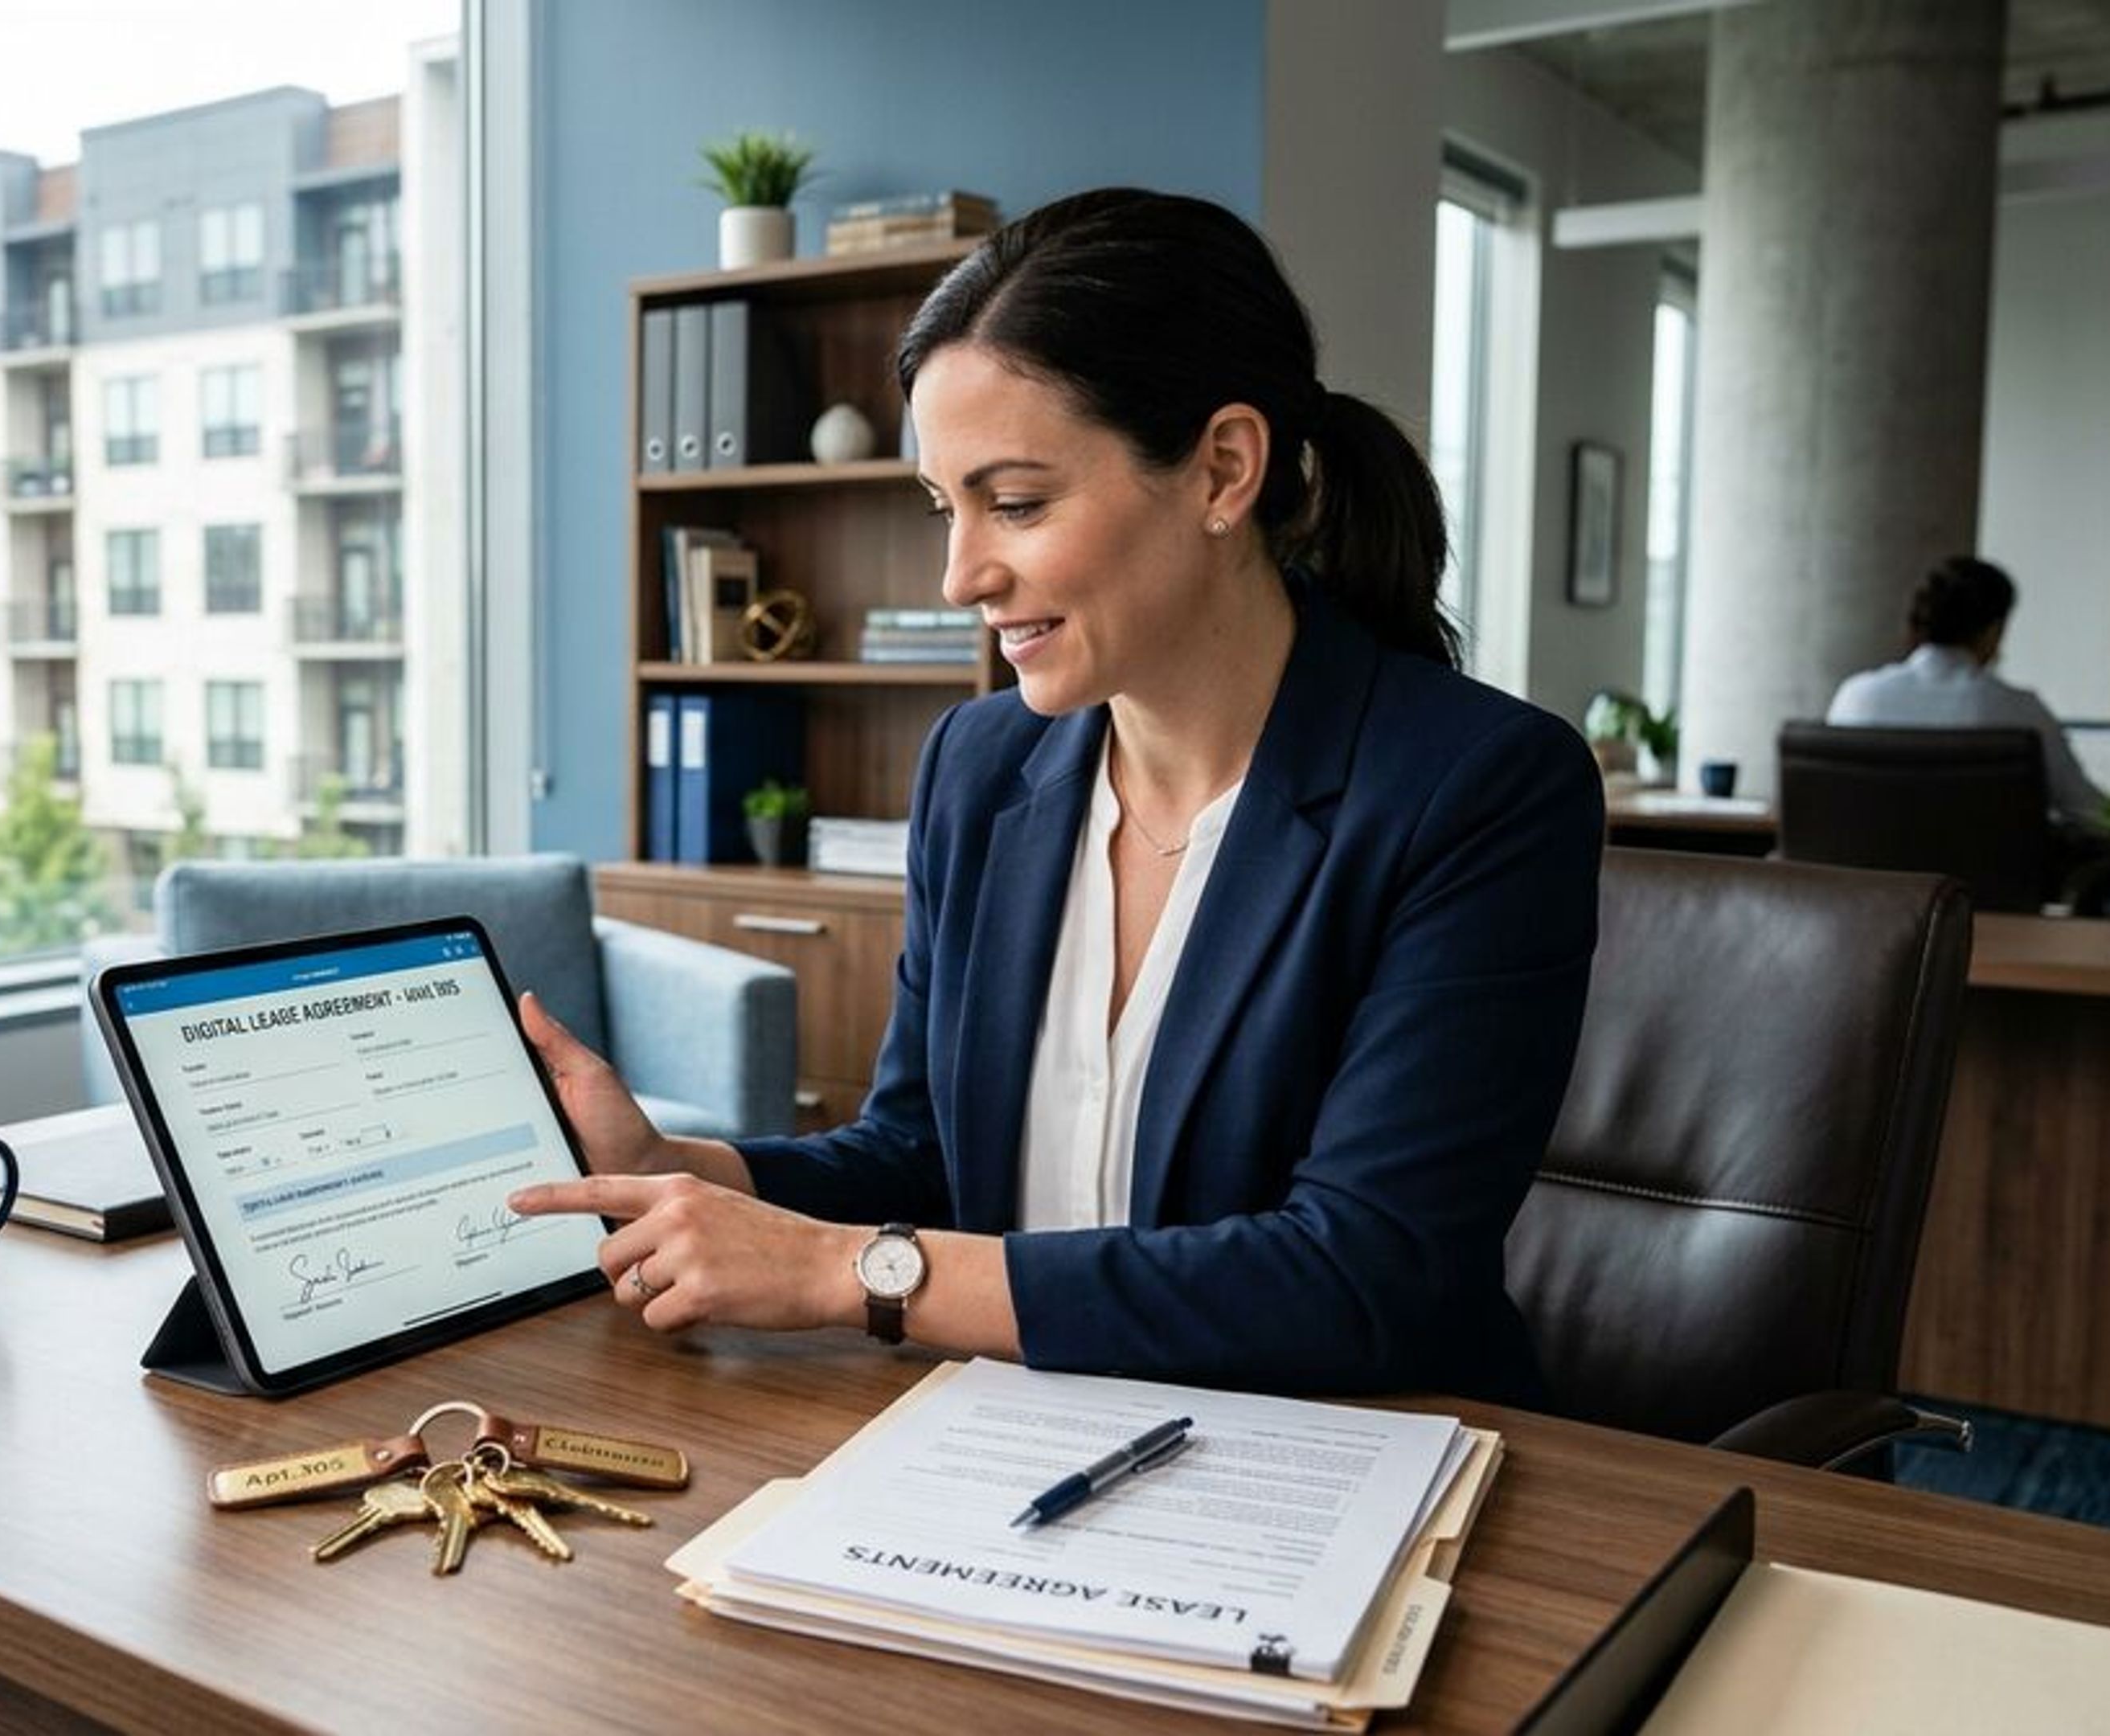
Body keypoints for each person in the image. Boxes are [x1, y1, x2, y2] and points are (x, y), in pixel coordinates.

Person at [509, 188, 1604, 1406]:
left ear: (1222, 471)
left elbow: (1362, 1277)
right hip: (1023, 1437)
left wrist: (852, 1275)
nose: (962, 572)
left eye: (1016, 504)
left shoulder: (1479, 789)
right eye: (945, 506)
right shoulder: (979, 770)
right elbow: (918, 1156)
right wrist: (683, 1170)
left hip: (1348, 1465)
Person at [1825, 555, 2108, 825]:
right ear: (1994, 630)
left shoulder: (1857, 696)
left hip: (1868, 874)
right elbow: (2086, 809)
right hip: (1986, 876)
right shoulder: (2020, 712)